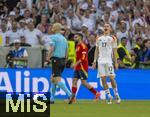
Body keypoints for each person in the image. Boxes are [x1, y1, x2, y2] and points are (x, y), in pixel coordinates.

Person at [45, 23, 74, 104]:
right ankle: (52, 99)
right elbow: (67, 52)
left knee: (57, 80)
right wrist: (65, 61)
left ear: (56, 28)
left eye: (53, 26)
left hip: (56, 60)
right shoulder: (64, 39)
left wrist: (47, 59)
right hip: (62, 61)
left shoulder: (53, 37)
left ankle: (70, 94)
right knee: (53, 79)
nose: (52, 28)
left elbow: (52, 49)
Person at [92, 23, 121, 104]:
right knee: (103, 79)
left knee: (111, 78)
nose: (105, 27)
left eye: (107, 26)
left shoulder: (113, 38)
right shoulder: (98, 38)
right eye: (104, 26)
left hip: (109, 61)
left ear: (110, 29)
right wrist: (94, 61)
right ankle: (109, 96)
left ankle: (116, 94)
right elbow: (96, 50)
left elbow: (115, 51)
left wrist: (116, 62)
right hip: (100, 61)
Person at [71, 33, 100, 102]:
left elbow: (83, 58)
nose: (74, 38)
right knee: (74, 81)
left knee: (83, 82)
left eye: (76, 37)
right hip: (77, 67)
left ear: (80, 38)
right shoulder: (77, 46)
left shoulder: (83, 46)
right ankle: (73, 98)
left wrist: (75, 64)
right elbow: (77, 57)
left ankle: (96, 93)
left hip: (82, 67)